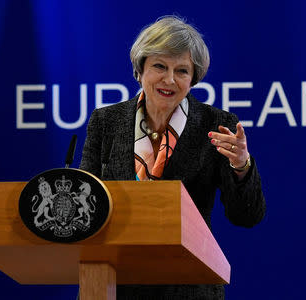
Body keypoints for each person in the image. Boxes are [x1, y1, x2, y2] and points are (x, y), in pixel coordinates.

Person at [80, 15, 266, 300]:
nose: (169, 79)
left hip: (188, 288)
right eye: (159, 66)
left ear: (193, 78)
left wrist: (240, 165)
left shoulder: (216, 124)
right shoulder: (106, 121)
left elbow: (246, 216)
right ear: (140, 69)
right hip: (113, 286)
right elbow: (88, 205)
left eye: (182, 70)